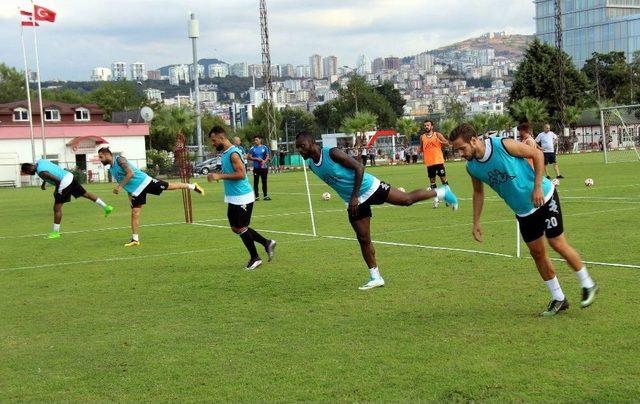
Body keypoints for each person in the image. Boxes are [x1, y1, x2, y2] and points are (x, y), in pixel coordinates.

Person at [449, 123, 597, 316]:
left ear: (474, 140)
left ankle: (588, 284)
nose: (460, 153)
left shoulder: (501, 144)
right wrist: (476, 222)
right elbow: (478, 192)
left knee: (556, 242)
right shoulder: (472, 168)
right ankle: (559, 298)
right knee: (537, 253)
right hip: (523, 211)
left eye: (462, 148)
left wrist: (537, 187)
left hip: (544, 197)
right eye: (457, 150)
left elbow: (537, 154)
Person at [295, 131, 459, 290]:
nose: (300, 150)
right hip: (352, 201)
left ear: (313, 143)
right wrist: (351, 199)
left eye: (302, 145)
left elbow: (359, 167)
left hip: (369, 187)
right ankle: (375, 277)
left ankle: (442, 192)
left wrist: (354, 196)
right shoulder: (311, 165)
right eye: (298, 147)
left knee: (406, 200)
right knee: (363, 238)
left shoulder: (332, 153)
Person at [97, 147, 204, 247]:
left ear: (107, 154)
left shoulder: (119, 160)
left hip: (145, 182)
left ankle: (192, 186)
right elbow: (127, 183)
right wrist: (129, 195)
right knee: (135, 213)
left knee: (169, 186)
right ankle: (135, 240)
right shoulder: (111, 169)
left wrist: (119, 187)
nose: (100, 160)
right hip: (136, 191)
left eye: (101, 157)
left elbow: (130, 173)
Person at [208, 126, 276, 270]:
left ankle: (255, 258)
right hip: (233, 197)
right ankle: (267, 243)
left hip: (242, 197)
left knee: (241, 227)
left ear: (222, 137)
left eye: (214, 140)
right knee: (235, 228)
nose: (213, 144)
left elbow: (241, 174)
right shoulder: (225, 153)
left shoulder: (233, 153)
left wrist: (219, 176)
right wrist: (218, 174)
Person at [20, 160, 114, 239]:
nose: (29, 174)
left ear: (29, 169)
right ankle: (106, 207)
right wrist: (43, 184)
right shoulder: (40, 161)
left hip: (63, 182)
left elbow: (57, 180)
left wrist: (57, 191)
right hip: (69, 176)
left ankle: (55, 233)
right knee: (85, 194)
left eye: (27, 173)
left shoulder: (41, 172)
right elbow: (50, 171)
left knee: (56, 208)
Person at [420, 119, 451, 208]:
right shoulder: (422, 137)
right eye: (425, 125)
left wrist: (442, 142)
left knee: (443, 180)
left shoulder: (437, 135)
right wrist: (419, 150)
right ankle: (436, 199)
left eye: (428, 125)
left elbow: (447, 143)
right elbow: (421, 148)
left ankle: (448, 198)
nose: (426, 127)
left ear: (432, 126)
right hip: (429, 163)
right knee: (432, 182)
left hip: (438, 161)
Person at [247, 136, 271, 201]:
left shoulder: (264, 147)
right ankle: (257, 196)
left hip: (264, 167)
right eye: (255, 140)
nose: (255, 141)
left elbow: (268, 156)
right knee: (256, 182)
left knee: (264, 182)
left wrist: (264, 161)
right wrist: (256, 159)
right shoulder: (252, 148)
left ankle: (265, 196)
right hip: (256, 168)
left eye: (257, 140)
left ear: (260, 140)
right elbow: (248, 157)